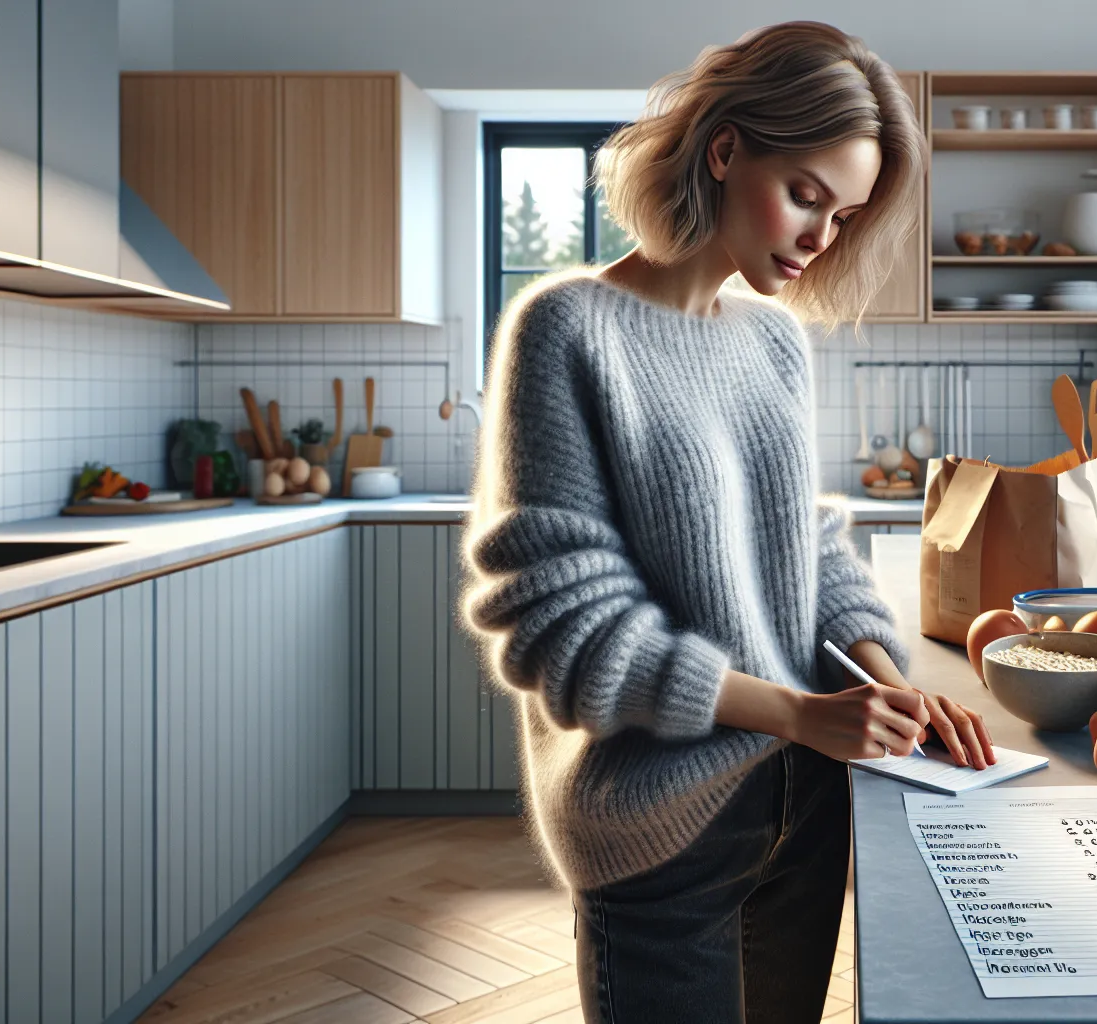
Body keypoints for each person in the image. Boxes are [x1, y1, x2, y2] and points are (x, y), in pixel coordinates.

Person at [459, 20, 997, 1024]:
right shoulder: (567, 327)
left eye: (841, 217)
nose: (817, 240)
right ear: (724, 149)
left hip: (806, 805)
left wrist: (889, 680)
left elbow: (806, 550)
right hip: (661, 828)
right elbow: (563, 632)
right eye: (805, 196)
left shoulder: (774, 342)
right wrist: (797, 710)